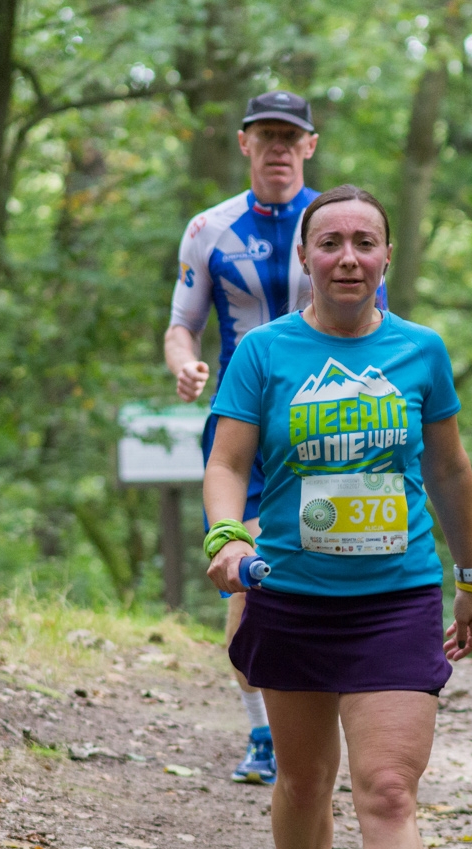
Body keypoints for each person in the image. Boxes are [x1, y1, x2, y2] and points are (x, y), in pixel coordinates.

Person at [202, 185, 472, 849]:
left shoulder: (422, 351)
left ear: (387, 257)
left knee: (389, 790)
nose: (349, 256)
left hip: (395, 598)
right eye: (331, 243)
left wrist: (469, 573)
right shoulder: (265, 352)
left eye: (366, 241)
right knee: (301, 781)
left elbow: (448, 469)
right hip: (289, 593)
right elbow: (228, 459)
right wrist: (226, 540)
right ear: (306, 258)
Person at [164, 90, 321, 786]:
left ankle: (318, 715)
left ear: (310, 146)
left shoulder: (336, 225)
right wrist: (184, 367)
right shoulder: (209, 228)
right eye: (267, 136)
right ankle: (263, 732)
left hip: (328, 423)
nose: (280, 148)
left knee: (324, 567)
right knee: (247, 578)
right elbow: (181, 324)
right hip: (243, 426)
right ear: (245, 143)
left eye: (292, 136)